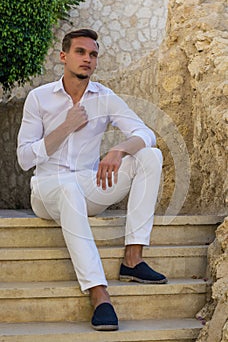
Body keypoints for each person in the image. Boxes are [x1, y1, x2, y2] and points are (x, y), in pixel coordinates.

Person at [17, 29, 167, 331]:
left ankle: (133, 260)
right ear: (64, 56)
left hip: (88, 185)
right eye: (81, 52)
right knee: (68, 187)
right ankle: (99, 294)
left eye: (93, 54)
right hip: (47, 190)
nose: (87, 59)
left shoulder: (104, 97)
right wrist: (65, 127)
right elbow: (24, 159)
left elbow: (145, 133)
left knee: (150, 156)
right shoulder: (39, 98)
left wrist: (118, 149)